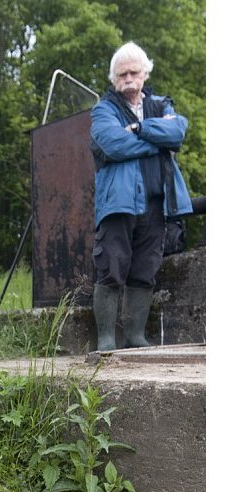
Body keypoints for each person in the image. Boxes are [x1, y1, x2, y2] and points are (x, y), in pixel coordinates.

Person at [90, 41, 193, 350]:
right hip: (118, 203)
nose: (128, 79)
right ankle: (107, 340)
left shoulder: (162, 104)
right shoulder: (103, 109)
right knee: (111, 268)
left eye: (134, 72)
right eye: (121, 75)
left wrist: (137, 129)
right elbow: (113, 145)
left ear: (145, 73)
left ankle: (135, 337)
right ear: (113, 79)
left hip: (157, 201)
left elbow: (177, 133)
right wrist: (156, 140)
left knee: (145, 271)